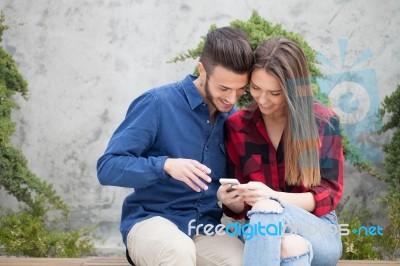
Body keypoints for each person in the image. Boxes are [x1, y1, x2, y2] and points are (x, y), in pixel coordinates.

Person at [97, 27, 254, 266]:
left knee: (245, 260)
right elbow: (107, 167)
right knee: (178, 251)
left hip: (204, 228)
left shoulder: (233, 120)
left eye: (240, 90)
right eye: (224, 89)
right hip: (151, 222)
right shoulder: (157, 104)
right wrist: (165, 165)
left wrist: (234, 199)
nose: (231, 99)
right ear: (202, 70)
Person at [218, 36, 344, 266]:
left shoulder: (323, 122)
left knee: (267, 209)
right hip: (260, 232)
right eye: (255, 88)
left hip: (317, 229)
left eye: (274, 93)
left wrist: (272, 199)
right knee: (289, 246)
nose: (262, 100)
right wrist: (233, 202)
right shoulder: (237, 126)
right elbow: (241, 205)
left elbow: (329, 194)